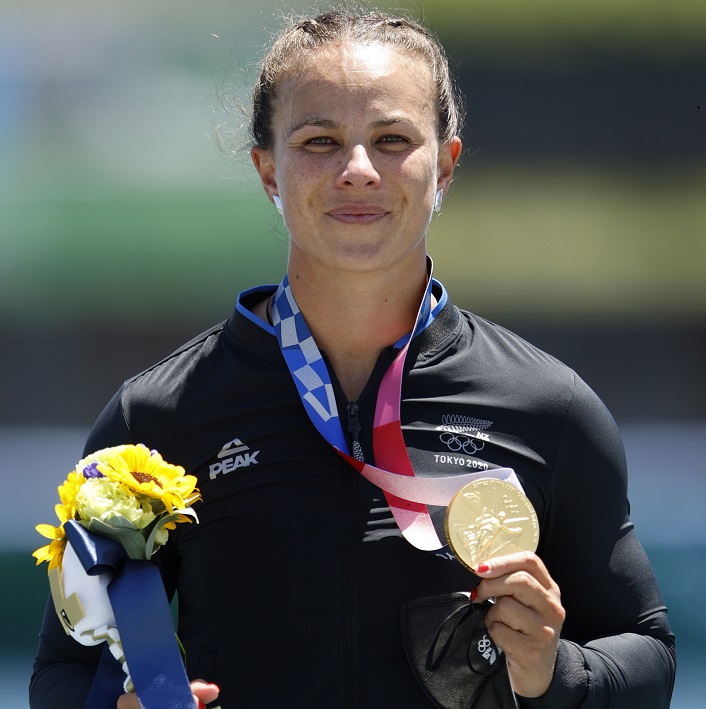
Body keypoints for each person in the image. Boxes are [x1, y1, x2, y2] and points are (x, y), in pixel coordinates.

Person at [30, 6, 676, 709]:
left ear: (446, 166)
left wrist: (555, 672)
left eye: (393, 138)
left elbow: (647, 653)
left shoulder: (550, 407)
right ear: (267, 169)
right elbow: (64, 672)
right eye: (319, 140)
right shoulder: (155, 416)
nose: (358, 169)